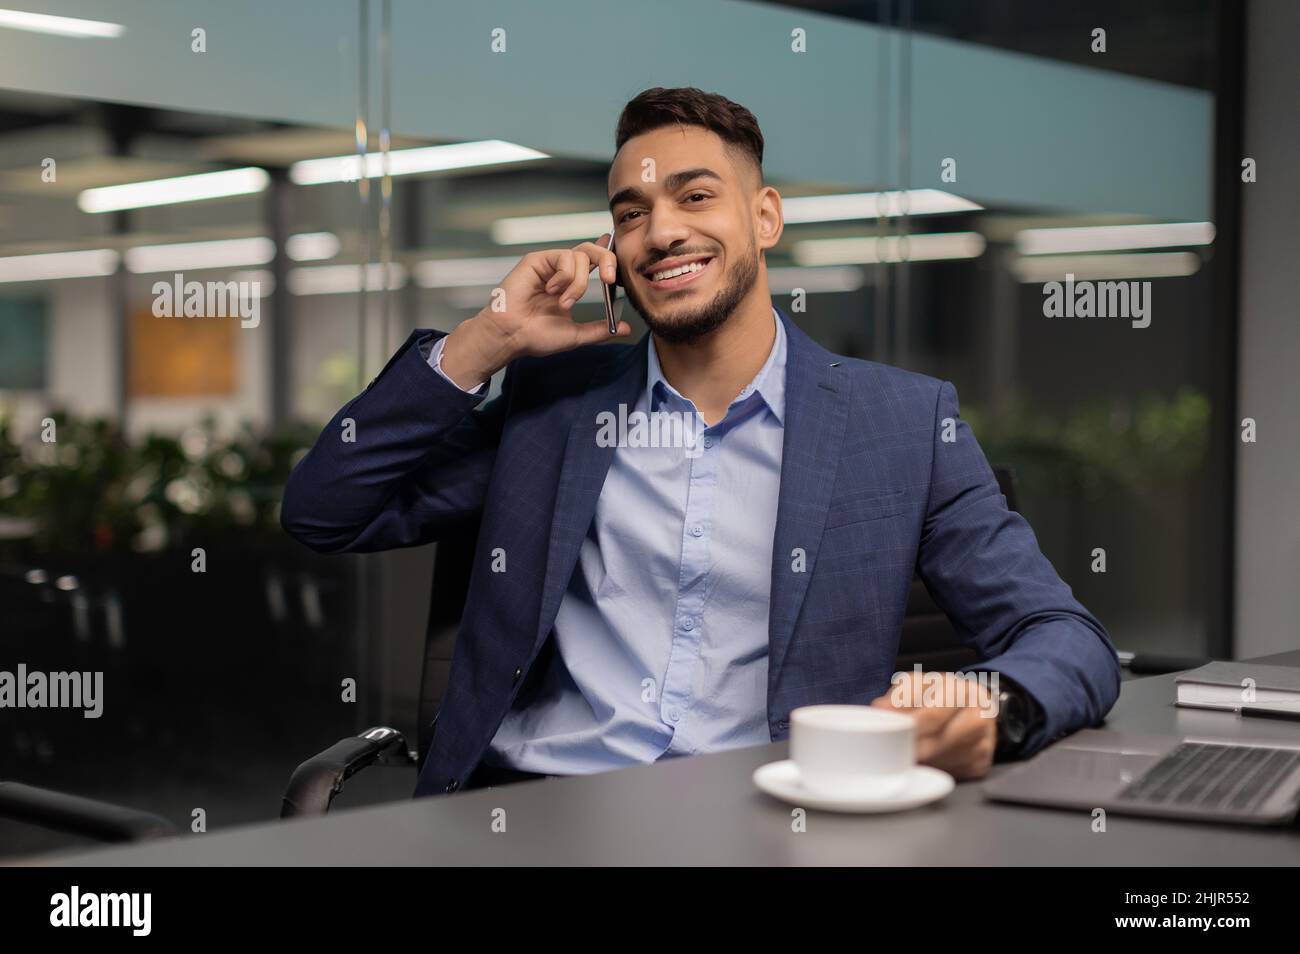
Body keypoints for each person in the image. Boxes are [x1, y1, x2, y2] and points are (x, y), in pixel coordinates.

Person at [281, 87, 1120, 799]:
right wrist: (487, 339)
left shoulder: (901, 425)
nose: (661, 232)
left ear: (764, 218)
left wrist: (995, 708)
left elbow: (1066, 637)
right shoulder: (557, 411)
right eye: (631, 213)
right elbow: (325, 511)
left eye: (694, 196)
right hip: (540, 814)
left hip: (770, 814)